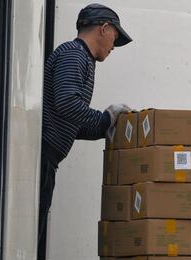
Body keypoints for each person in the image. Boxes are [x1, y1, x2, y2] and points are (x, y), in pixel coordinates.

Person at [39, 3, 133, 241]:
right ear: (103, 28)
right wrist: (104, 118)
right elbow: (67, 104)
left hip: (47, 158)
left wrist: (106, 128)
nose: (114, 45)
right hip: (42, 156)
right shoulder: (74, 54)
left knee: (35, 231)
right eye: (115, 36)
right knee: (31, 234)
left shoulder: (81, 58)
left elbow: (71, 122)